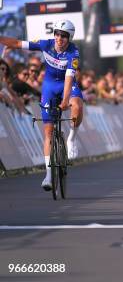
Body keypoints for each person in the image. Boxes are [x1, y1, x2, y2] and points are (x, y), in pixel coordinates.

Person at [0, 20, 84, 191]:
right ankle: (48, 175)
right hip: (49, 86)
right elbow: (16, 43)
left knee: (77, 105)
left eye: (64, 35)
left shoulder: (73, 52)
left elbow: (69, 79)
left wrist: (65, 100)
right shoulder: (46, 44)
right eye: (57, 34)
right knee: (48, 131)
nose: (60, 38)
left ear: (70, 38)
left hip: (66, 85)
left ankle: (72, 138)